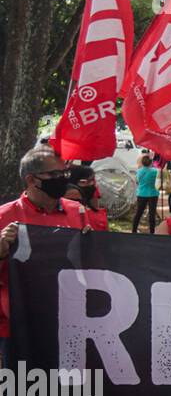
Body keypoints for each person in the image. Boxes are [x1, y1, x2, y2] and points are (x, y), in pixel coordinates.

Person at [0, 148, 102, 348]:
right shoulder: (5, 216)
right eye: (54, 174)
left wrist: (91, 246)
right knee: (24, 379)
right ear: (31, 180)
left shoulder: (78, 211)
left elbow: (92, 265)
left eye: (64, 173)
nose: (62, 178)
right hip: (21, 324)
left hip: (70, 318)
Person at [65, 164, 109, 231]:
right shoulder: (71, 192)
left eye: (91, 181)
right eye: (83, 182)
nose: (89, 184)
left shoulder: (98, 216)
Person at [132, 152, 160, 233]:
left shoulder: (139, 171)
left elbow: (137, 181)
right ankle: (152, 231)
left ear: (142, 162)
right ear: (151, 163)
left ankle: (134, 230)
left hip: (141, 194)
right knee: (152, 214)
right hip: (153, 194)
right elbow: (158, 182)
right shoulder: (155, 171)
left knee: (138, 213)